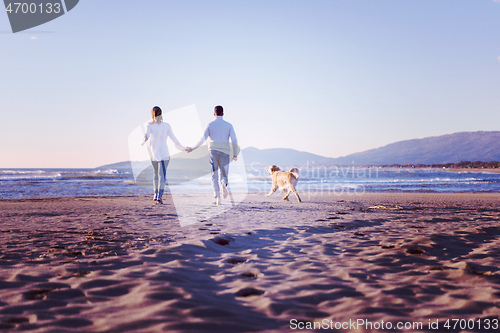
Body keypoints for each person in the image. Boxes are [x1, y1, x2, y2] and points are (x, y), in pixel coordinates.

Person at [187, 105, 238, 205]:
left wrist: (192, 148)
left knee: (214, 175)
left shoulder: (209, 124)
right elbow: (234, 140)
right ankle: (223, 183)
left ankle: (218, 198)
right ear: (223, 114)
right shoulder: (229, 125)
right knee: (224, 174)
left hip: (213, 151)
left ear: (214, 114)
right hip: (225, 152)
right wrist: (235, 153)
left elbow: (202, 139)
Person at [142, 106, 187, 204]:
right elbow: (174, 140)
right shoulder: (166, 125)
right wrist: (183, 148)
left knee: (155, 174)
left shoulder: (149, 126)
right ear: (161, 114)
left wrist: (143, 140)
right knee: (162, 175)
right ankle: (159, 195)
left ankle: (155, 193)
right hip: (164, 154)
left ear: (152, 115)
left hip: (153, 154)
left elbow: (146, 135)